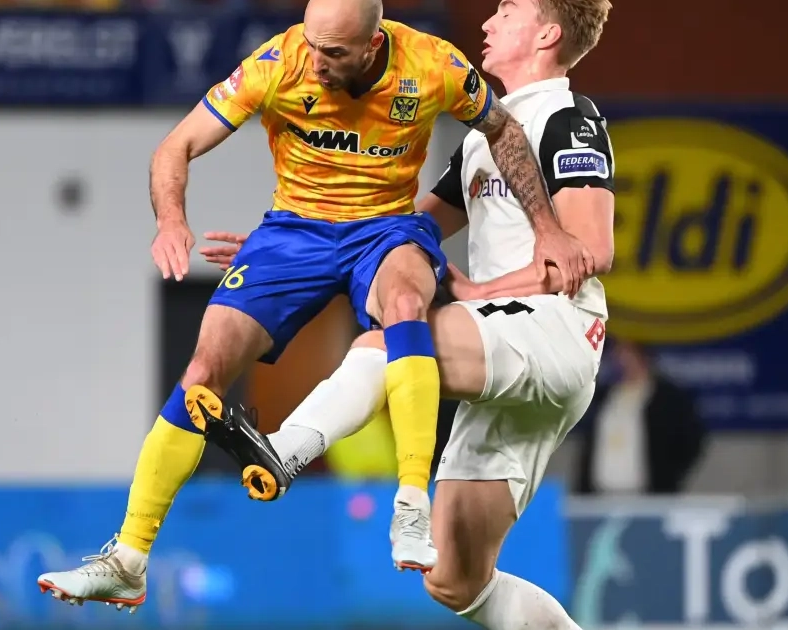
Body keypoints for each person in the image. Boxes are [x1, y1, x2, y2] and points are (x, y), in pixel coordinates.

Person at [36, 0, 591, 612]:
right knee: (203, 370)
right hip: (293, 233)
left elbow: (502, 129)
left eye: (333, 52)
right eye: (311, 43)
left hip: (384, 228)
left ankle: (410, 505)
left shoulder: (431, 63)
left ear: (372, 44)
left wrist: (547, 229)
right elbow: (176, 145)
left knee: (405, 303)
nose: (316, 61)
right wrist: (172, 220)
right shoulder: (277, 63)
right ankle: (128, 560)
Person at [201, 0, 615, 628]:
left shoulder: (566, 116)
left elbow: (591, 250)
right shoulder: (485, 136)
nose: (489, 22)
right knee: (456, 581)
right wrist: (292, 246)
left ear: (547, 34)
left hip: (553, 332)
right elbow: (402, 230)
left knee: (388, 342)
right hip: (503, 354)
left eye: (509, 11)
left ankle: (285, 449)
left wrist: (481, 290)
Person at [576, 336, 706, 495]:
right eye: (618, 351)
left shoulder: (667, 398)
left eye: (627, 351)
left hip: (647, 496)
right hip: (599, 495)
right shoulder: (605, 396)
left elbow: (691, 440)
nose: (621, 358)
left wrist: (669, 475)